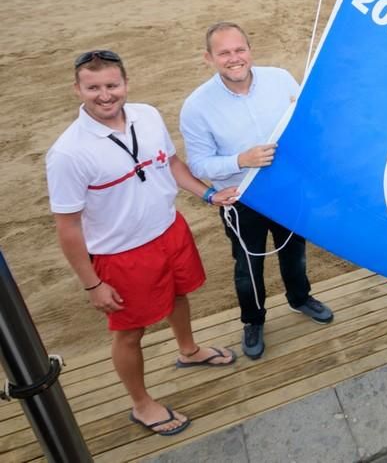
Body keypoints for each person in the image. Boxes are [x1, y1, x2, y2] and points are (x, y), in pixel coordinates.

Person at [46, 51, 239, 437]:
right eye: (93, 87)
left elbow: (171, 163)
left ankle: (188, 350)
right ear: (77, 89)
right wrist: (92, 284)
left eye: (112, 85)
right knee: (129, 332)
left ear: (126, 83)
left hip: (170, 231)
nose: (105, 95)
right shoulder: (67, 153)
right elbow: (67, 227)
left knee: (179, 295)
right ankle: (141, 403)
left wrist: (206, 195)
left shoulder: (148, 115)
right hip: (121, 255)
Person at [180, 22, 333, 361]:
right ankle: (253, 320)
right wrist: (241, 159)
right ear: (209, 58)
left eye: (239, 50)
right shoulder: (196, 106)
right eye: (224, 53)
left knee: (294, 251)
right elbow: (200, 165)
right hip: (241, 198)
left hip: (288, 191)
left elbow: (304, 124)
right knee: (247, 265)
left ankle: (300, 297)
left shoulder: (279, 79)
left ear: (249, 50)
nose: (234, 59)